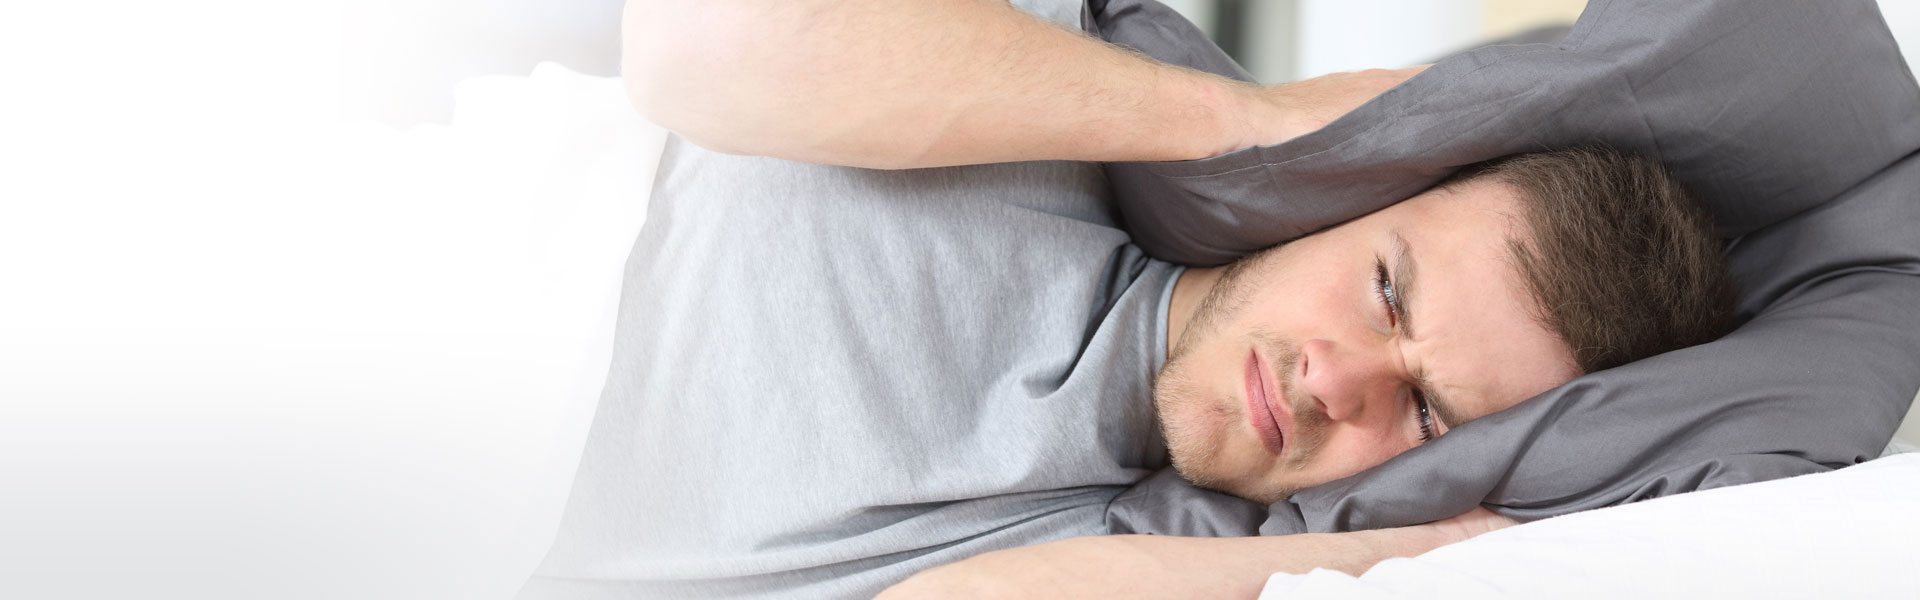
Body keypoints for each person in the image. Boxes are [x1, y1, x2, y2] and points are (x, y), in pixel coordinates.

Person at [518, 1, 1733, 598]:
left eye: (1423, 417)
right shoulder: (1037, 91)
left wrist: (1405, 552)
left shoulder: (1099, 542)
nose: (1336, 379)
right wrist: (1254, 125)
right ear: (1366, 192)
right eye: (1384, 290)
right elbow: (698, 44)